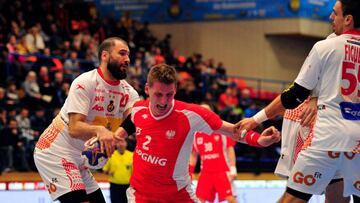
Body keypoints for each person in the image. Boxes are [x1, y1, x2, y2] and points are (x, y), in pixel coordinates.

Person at [236, 1, 360, 202]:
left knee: (292, 199)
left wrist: (256, 120)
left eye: (335, 13)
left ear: (348, 19)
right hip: (357, 143)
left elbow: (294, 95)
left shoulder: (326, 46)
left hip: (329, 136)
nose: (330, 17)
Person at [115, 64, 281, 202]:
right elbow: (131, 122)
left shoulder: (192, 114)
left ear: (176, 90)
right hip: (140, 196)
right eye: (158, 94)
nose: (164, 101)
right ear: (147, 89)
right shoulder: (138, 109)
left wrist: (259, 140)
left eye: (169, 94)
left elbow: (234, 131)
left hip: (178, 195)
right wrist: (115, 136)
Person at [33, 37, 140, 203]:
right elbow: (74, 128)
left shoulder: (129, 92)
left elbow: (133, 121)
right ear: (105, 56)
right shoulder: (85, 82)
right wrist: (100, 131)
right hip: (54, 152)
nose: (127, 59)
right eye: (122, 53)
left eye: (128, 55)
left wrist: (115, 138)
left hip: (80, 158)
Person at [189, 104, 238, 203]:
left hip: (222, 171)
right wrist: (190, 171)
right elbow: (194, 154)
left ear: (211, 113)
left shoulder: (221, 129)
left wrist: (233, 168)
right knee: (199, 200)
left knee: (230, 198)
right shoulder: (195, 134)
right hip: (205, 173)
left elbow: (230, 149)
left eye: (206, 111)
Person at [103, 138, 133, 203]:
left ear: (126, 144)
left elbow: (136, 172)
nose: (120, 144)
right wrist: (108, 172)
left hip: (128, 186)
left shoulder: (132, 155)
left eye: (122, 142)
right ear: (116, 144)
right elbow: (105, 171)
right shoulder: (111, 155)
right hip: (115, 186)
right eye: (118, 142)